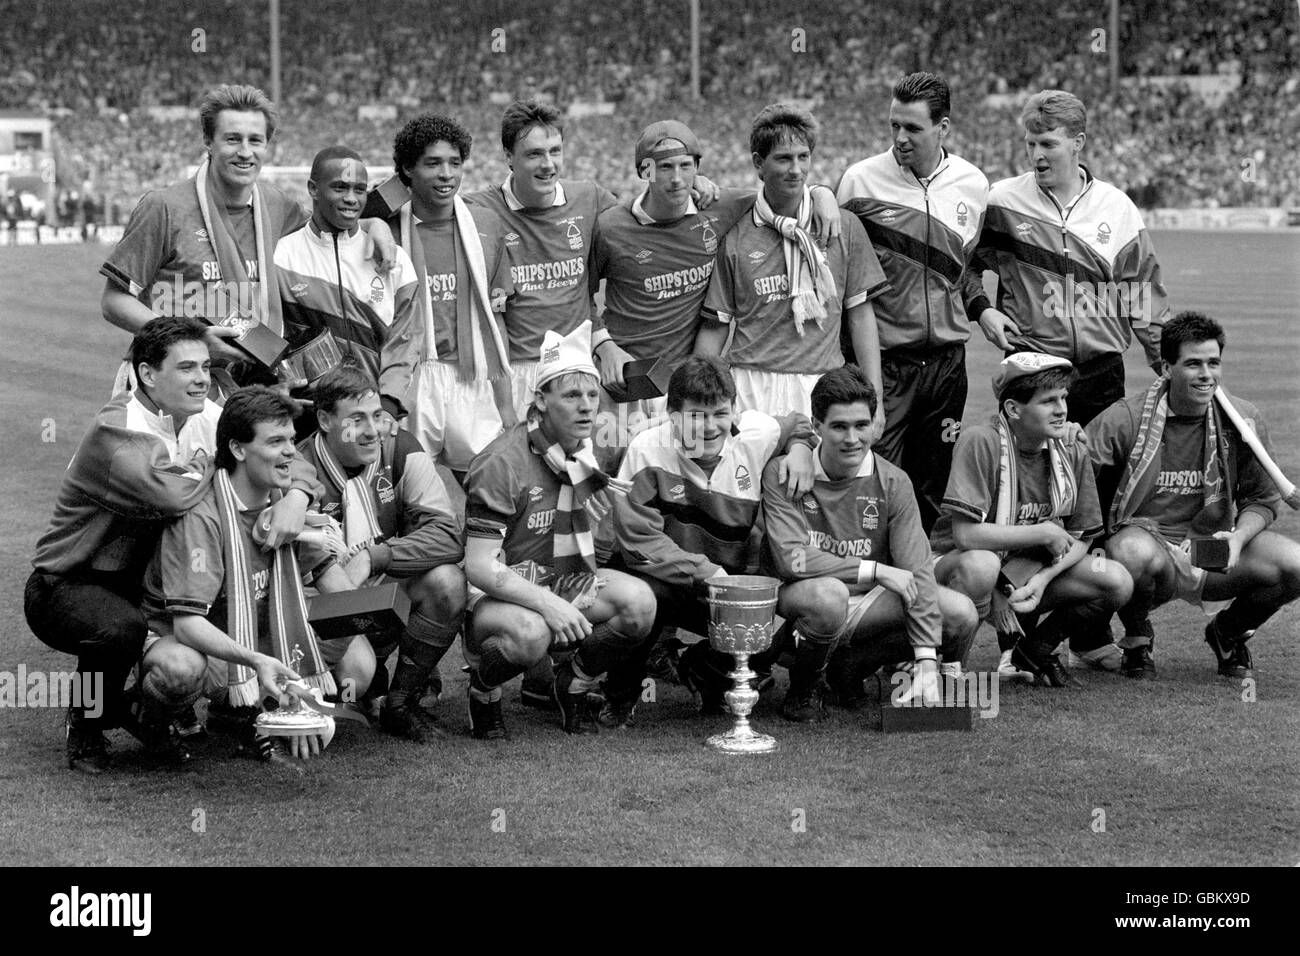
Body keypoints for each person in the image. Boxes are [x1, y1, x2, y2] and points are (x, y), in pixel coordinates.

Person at [24, 318, 320, 773]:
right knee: (118, 629)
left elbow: (281, 456)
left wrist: (296, 497)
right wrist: (223, 466)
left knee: (198, 645)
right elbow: (173, 495)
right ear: (146, 374)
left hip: (148, 583)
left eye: (205, 366)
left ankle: (162, 712)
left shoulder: (207, 415)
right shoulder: (117, 430)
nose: (202, 378)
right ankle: (90, 721)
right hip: (71, 583)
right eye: (186, 368)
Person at [99, 84, 396, 395]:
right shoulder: (164, 208)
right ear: (208, 142)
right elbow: (114, 302)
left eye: (255, 140)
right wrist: (190, 343)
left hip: (246, 389)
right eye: (232, 139)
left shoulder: (277, 205)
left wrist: (374, 223)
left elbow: (328, 223)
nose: (245, 151)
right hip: (165, 383)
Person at [590, 120, 840, 465]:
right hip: (623, 381)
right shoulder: (610, 227)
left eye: (686, 167)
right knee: (611, 472)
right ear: (644, 171)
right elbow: (578, 294)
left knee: (677, 480)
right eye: (664, 168)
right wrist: (603, 345)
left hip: (680, 385)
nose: (677, 179)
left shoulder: (721, 208)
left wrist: (822, 193)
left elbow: (781, 191)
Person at [137, 387, 365, 765]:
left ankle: (248, 712)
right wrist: (258, 662)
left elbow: (330, 581)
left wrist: (365, 617)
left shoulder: (286, 503)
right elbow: (188, 624)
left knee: (341, 629)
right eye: (275, 441)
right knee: (180, 671)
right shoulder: (202, 516)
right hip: (187, 638)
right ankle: (150, 719)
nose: (291, 450)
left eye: (292, 439)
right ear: (239, 449)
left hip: (249, 636)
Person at [461, 324, 656, 738]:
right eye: (571, 396)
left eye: (591, 395)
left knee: (639, 603)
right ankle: (483, 691)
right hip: (497, 595)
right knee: (532, 632)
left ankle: (573, 684)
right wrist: (549, 604)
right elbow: (478, 567)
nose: (586, 407)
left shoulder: (590, 447)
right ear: (541, 401)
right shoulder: (501, 462)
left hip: (562, 580)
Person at [1087, 311, 1300, 680]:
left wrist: (1237, 538)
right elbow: (1074, 474)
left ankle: (1227, 634)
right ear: (1167, 367)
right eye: (1193, 364)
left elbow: (1262, 502)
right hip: (1152, 554)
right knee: (1131, 551)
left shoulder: (1244, 420)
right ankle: (1138, 640)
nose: (1206, 374)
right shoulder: (1125, 418)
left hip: (1210, 551)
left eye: (1213, 363)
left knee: (1294, 565)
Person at [610, 356, 817, 726]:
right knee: (645, 596)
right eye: (695, 416)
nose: (709, 427)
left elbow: (797, 423)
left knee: (770, 632)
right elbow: (638, 541)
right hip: (668, 582)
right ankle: (620, 695)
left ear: (735, 410)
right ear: (671, 413)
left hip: (729, 587)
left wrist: (801, 447)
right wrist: (709, 573)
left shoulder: (757, 433)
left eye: (720, 413)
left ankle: (704, 670)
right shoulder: (645, 449)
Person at [761, 365, 980, 714]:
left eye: (861, 425)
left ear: (875, 424)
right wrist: (874, 569)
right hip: (798, 604)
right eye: (839, 426)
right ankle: (803, 689)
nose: (852, 438)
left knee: (960, 614)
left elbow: (917, 569)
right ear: (817, 427)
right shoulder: (785, 472)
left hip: (866, 608)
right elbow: (793, 560)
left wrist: (925, 657)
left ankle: (852, 667)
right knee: (828, 596)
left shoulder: (893, 482)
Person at [836, 72, 991, 535]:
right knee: (875, 480)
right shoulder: (860, 182)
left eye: (913, 129)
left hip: (947, 365)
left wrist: (983, 308)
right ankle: (869, 584)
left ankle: (919, 583)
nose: (900, 139)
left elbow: (965, 269)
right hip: (885, 363)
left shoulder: (973, 184)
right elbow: (839, 272)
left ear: (943, 128)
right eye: (894, 127)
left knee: (932, 483)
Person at [966, 89, 1170, 428]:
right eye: (1030, 144)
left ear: (1078, 142)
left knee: (1098, 476)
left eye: (1048, 144)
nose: (1036, 155)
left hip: (1101, 374)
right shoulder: (1002, 202)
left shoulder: (1116, 207)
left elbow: (1142, 292)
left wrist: (1164, 361)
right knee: (1029, 476)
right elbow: (964, 265)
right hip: (1030, 368)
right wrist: (982, 309)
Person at [931, 352, 1133, 686]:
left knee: (1115, 579)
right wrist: (1041, 533)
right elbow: (965, 535)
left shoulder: (1071, 446)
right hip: (961, 566)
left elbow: (1081, 537)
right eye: (1048, 401)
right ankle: (948, 666)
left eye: (1064, 398)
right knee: (982, 565)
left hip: (1027, 572)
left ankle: (1034, 649)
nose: (1062, 410)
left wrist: (1042, 582)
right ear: (1013, 409)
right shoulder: (981, 440)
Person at [296, 365, 466, 741]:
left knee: (447, 582)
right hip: (320, 609)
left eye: (377, 416)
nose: (373, 430)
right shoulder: (298, 468)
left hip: (378, 593)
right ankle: (345, 694)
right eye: (356, 419)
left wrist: (376, 555)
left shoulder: (400, 448)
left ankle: (401, 703)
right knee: (356, 678)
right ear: (324, 419)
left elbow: (447, 535)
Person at [697, 103, 888, 420]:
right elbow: (715, 325)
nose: (796, 169)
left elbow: (860, 316)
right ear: (759, 164)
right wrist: (697, 399)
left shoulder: (843, 226)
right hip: (752, 384)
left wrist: (875, 398)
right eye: (783, 159)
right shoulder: (736, 235)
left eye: (803, 157)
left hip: (824, 382)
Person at [371, 113, 516, 481]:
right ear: (407, 169)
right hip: (412, 378)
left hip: (472, 375)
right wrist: (371, 221)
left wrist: (506, 403)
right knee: (410, 491)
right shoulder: (385, 231)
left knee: (487, 491)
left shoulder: (484, 224)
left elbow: (494, 318)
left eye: (455, 163)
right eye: (432, 163)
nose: (446, 174)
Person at [273, 146, 418, 417]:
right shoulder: (280, 258)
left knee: (414, 460)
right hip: (307, 416)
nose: (351, 199)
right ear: (313, 189)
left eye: (359, 190)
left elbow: (405, 342)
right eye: (339, 188)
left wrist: (386, 406)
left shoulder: (394, 259)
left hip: (375, 414)